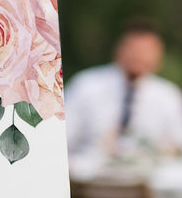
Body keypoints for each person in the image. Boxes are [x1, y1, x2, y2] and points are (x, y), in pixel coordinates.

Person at [64, 20, 182, 158]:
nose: (139, 56)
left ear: (159, 58)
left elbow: (177, 142)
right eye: (133, 49)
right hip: (88, 171)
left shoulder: (168, 95)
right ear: (118, 51)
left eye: (146, 51)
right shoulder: (86, 85)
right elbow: (64, 136)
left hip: (147, 174)